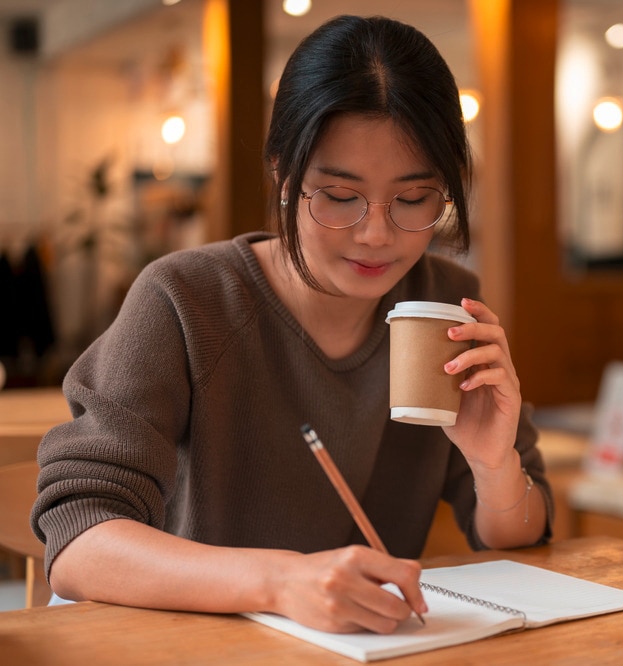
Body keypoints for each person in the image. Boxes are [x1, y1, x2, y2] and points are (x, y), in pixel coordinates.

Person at [30, 14, 552, 635]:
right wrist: (280, 583)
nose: (377, 233)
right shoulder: (187, 301)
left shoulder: (442, 307)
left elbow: (522, 538)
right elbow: (78, 541)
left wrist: (494, 465)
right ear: (283, 174)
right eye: (339, 196)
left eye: (414, 200)